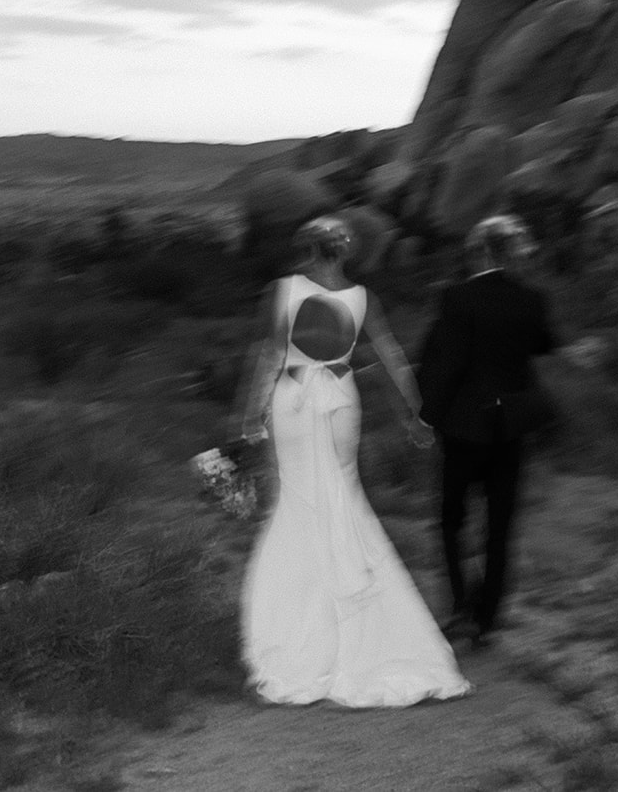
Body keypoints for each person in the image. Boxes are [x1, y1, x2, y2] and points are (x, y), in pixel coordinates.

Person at [235, 215, 470, 707]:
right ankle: (363, 616)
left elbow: (269, 354)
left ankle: (299, 631)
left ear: (307, 248)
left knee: (297, 501)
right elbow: (393, 357)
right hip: (341, 400)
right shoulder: (364, 298)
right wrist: (417, 414)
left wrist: (250, 416)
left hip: (294, 401)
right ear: (346, 251)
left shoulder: (283, 290)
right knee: (345, 495)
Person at [416, 214, 558, 651]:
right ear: (512, 252)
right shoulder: (532, 298)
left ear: (480, 251)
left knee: (451, 520)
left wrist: (425, 416)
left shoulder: (457, 297)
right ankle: (487, 620)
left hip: (464, 427)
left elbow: (446, 362)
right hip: (510, 427)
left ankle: (461, 605)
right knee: (500, 526)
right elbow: (545, 344)